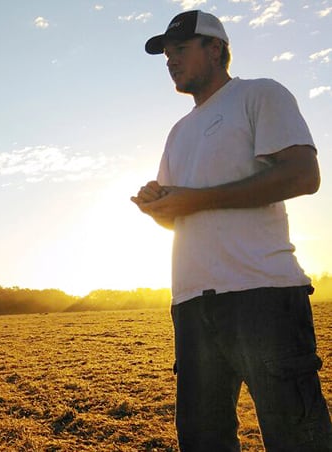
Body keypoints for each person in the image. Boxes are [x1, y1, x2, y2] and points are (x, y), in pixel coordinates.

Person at [131, 9, 332, 451]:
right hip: (190, 306)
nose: (170, 60)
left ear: (216, 48)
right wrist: (158, 207)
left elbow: (303, 175)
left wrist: (192, 199)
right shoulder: (178, 132)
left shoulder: (259, 94)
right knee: (203, 441)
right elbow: (179, 213)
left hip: (262, 294)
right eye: (166, 53)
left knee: (297, 438)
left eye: (179, 49)